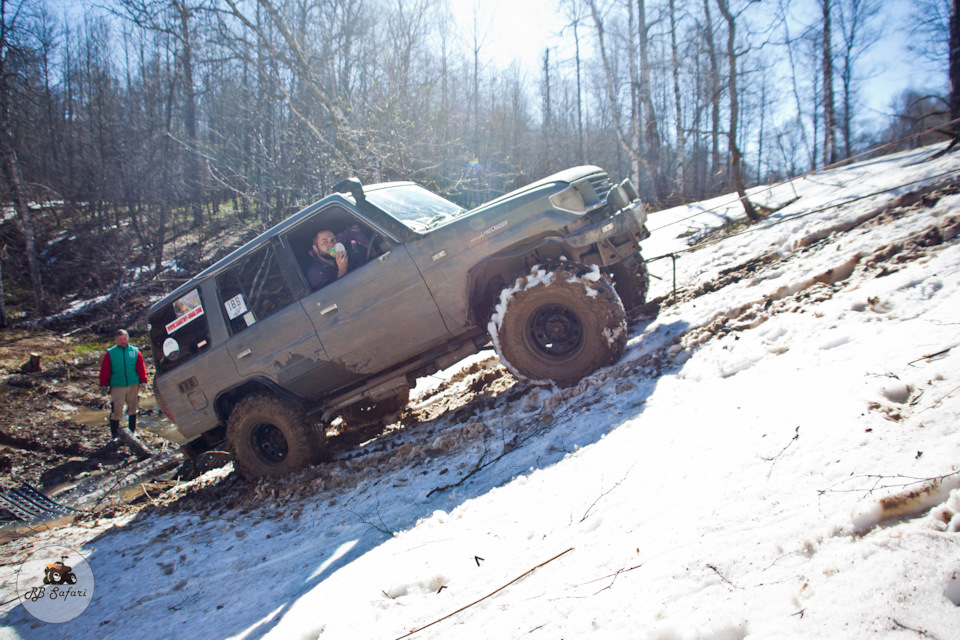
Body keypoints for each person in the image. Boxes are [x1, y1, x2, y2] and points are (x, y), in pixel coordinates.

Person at [98, 329, 148, 439]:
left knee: (133, 408)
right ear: (116, 340)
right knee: (117, 410)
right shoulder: (111, 353)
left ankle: (132, 432)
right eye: (120, 339)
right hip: (117, 385)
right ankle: (114, 435)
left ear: (128, 338)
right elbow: (105, 369)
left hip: (133, 384)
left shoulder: (135, 351)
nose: (123, 341)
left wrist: (143, 381)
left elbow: (141, 367)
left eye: (125, 339)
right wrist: (103, 384)